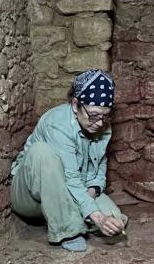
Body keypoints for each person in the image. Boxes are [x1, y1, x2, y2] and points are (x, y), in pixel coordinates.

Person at [11, 69, 128, 253]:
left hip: (70, 191)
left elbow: (100, 165)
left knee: (115, 219)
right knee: (41, 152)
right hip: (31, 196)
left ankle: (65, 215)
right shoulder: (57, 124)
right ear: (75, 105)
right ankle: (68, 230)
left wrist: (93, 191)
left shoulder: (102, 125)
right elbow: (71, 178)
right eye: (94, 115)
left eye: (105, 116)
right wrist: (96, 216)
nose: (99, 123)